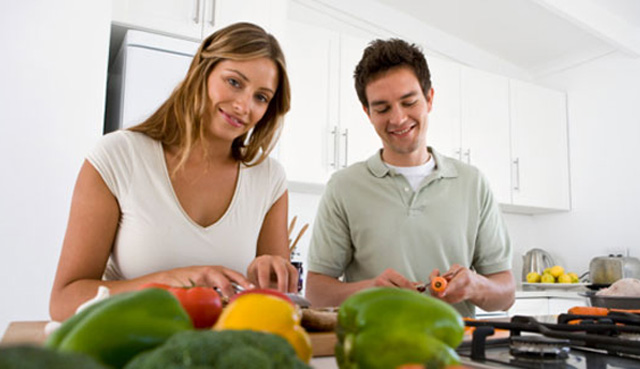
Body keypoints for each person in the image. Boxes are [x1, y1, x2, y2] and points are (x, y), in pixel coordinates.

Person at [50, 22, 297, 321]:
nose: (244, 105)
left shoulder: (269, 178)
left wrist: (272, 277)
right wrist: (168, 284)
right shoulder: (117, 156)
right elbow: (64, 301)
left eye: (261, 97)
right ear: (201, 72)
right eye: (234, 82)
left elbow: (275, 302)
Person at [305, 38, 515, 317]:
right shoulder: (343, 186)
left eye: (408, 102)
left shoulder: (472, 183)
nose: (398, 119)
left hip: (453, 351)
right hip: (372, 352)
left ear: (429, 99)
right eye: (382, 108)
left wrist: (476, 286)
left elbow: (506, 293)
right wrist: (370, 291)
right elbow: (316, 292)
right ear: (368, 113)